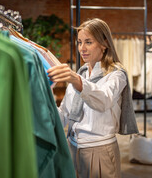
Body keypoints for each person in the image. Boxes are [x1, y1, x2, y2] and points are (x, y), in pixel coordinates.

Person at [47, 18, 138, 178]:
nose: (82, 48)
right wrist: (44, 97)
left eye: (88, 42)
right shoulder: (81, 74)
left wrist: (76, 80)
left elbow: (103, 100)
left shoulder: (116, 75)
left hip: (99, 151)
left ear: (104, 44)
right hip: (73, 148)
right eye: (80, 42)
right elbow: (63, 116)